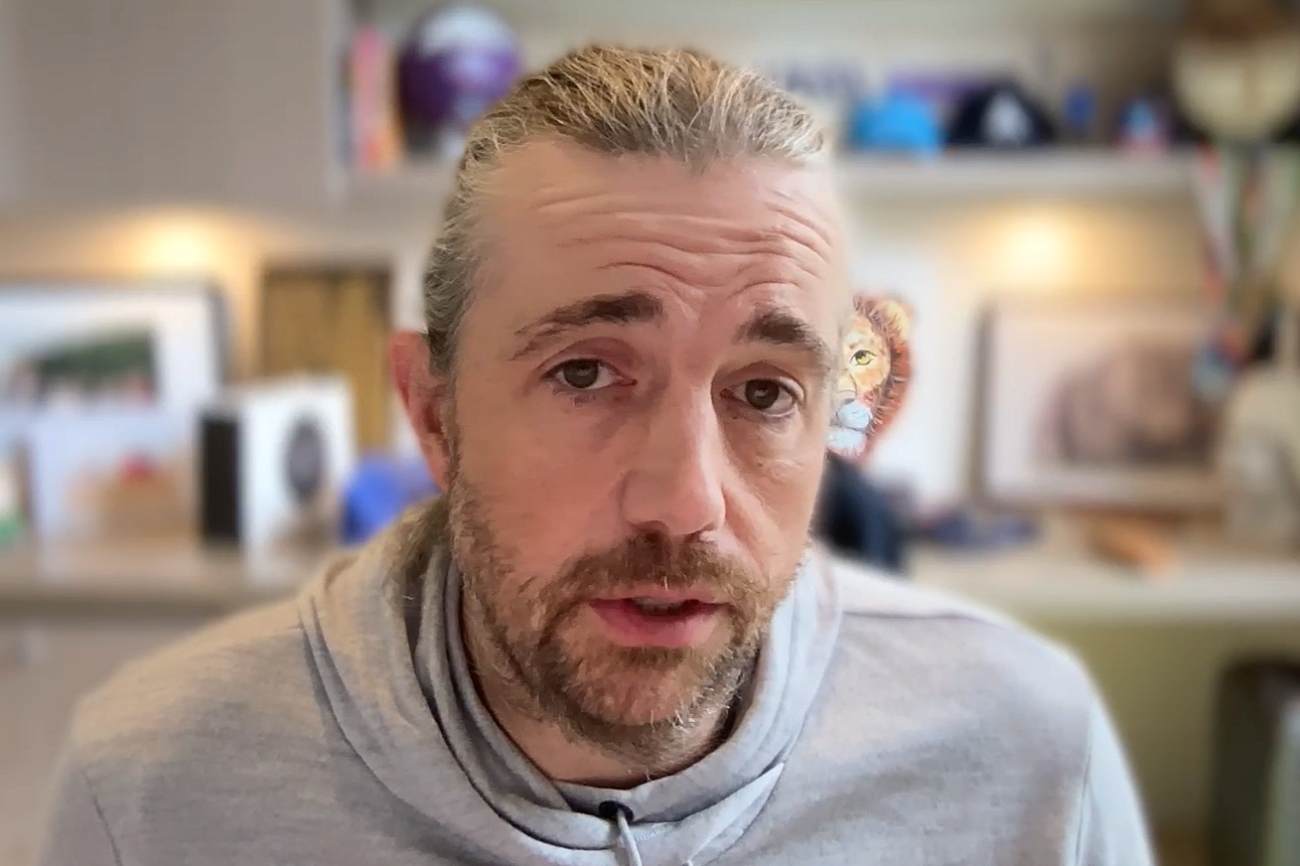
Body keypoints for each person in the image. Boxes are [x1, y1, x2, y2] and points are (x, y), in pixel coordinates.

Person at [38, 46, 1153, 866]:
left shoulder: (1027, 755)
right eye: (584, 373)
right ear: (433, 414)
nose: (682, 502)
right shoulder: (153, 797)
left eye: (765, 391)